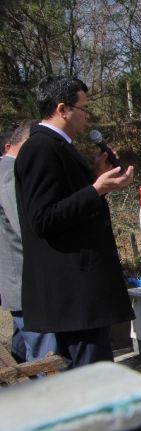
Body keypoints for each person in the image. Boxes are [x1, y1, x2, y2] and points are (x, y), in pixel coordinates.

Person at [14, 75, 135, 369]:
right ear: (62, 109)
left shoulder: (58, 146)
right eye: (84, 108)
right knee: (92, 379)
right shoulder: (41, 148)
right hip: (73, 293)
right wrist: (97, 189)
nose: (86, 117)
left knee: (94, 376)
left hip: (82, 294)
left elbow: (67, 205)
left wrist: (96, 179)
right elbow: (43, 218)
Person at [1, 121, 58, 364]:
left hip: (18, 281)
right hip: (25, 280)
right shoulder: (9, 172)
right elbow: (24, 225)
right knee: (44, 354)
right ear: (11, 146)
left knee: (25, 348)